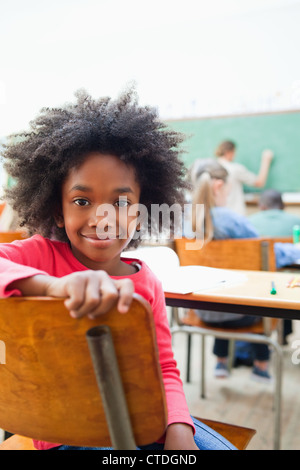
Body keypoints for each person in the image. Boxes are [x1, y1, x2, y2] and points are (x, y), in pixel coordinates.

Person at [0, 89, 236, 451]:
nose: (102, 218)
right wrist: (51, 287)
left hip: (145, 419)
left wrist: (178, 426)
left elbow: (165, 369)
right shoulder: (37, 256)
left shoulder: (147, 282)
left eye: (121, 202)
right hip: (67, 433)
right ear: (58, 210)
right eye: (82, 201)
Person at [186, 159, 272, 383]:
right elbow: (266, 254)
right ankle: (261, 366)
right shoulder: (234, 220)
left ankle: (220, 362)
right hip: (243, 314)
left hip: (200, 310)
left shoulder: (184, 221)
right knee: (257, 296)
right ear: (218, 187)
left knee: (219, 288)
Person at [214, 140, 274, 215]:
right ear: (229, 152)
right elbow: (259, 182)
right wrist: (266, 160)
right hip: (235, 214)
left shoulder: (210, 168)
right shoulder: (235, 169)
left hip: (217, 215)